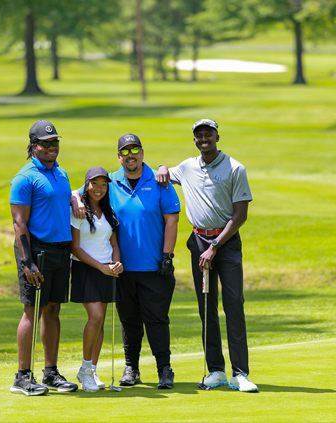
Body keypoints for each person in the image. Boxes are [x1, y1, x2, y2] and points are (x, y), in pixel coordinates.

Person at [154, 118, 257, 392]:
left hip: (226, 244)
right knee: (206, 307)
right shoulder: (188, 167)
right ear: (195, 140)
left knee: (234, 304)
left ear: (217, 137)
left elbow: (240, 215)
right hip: (199, 242)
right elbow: (162, 173)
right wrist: (163, 166)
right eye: (199, 135)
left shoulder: (235, 168)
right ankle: (215, 370)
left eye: (208, 134)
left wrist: (216, 246)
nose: (204, 139)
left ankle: (240, 373)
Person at [73, 133, 181, 389]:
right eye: (125, 152)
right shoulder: (110, 180)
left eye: (135, 151)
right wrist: (75, 197)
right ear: (119, 156)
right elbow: (79, 192)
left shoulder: (159, 180)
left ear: (142, 153)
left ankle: (164, 369)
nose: (130, 156)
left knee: (156, 320)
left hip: (154, 265)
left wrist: (167, 255)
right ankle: (131, 368)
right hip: (120, 269)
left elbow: (172, 220)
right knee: (129, 321)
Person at [9, 119, 79, 395]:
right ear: (33, 146)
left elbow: (62, 199)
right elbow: (19, 224)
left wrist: (75, 198)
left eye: (55, 142)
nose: (52, 147)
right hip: (36, 250)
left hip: (61, 250)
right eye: (46, 143)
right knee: (32, 311)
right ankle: (23, 376)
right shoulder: (24, 177)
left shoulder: (60, 173)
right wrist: (28, 262)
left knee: (53, 310)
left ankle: (50, 373)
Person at [69, 166, 124, 393]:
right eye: (94, 184)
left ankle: (91, 369)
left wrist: (116, 263)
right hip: (86, 269)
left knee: (100, 322)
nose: (99, 188)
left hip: (106, 270)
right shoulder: (78, 211)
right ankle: (84, 368)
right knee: (96, 316)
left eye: (103, 184)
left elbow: (114, 245)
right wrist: (101, 267)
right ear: (86, 185)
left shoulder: (109, 212)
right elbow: (75, 248)